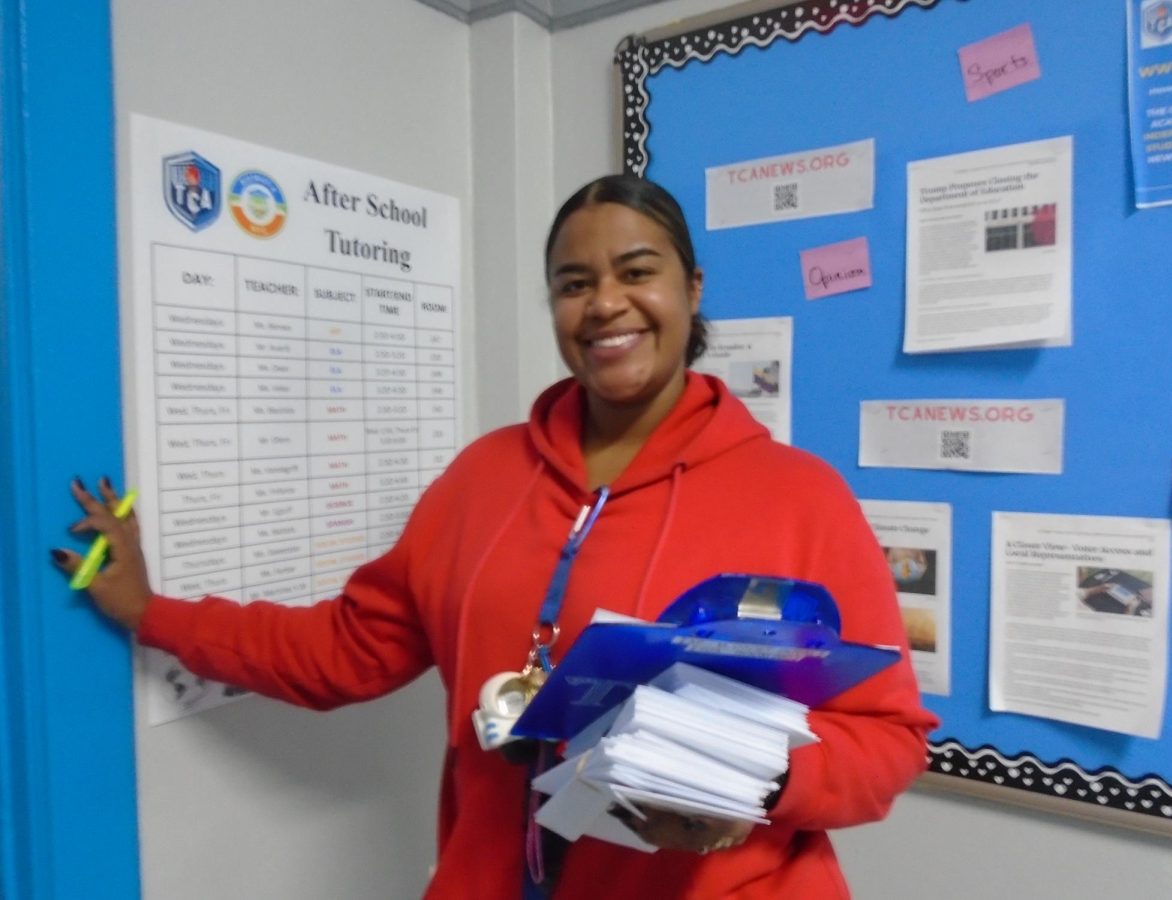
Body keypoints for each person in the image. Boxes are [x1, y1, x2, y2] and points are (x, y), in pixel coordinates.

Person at [54, 174, 937, 899]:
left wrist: (757, 787)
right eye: (573, 282)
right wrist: (151, 611)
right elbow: (341, 650)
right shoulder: (482, 479)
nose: (606, 305)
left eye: (638, 271)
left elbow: (888, 740)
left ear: (692, 289)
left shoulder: (799, 497)